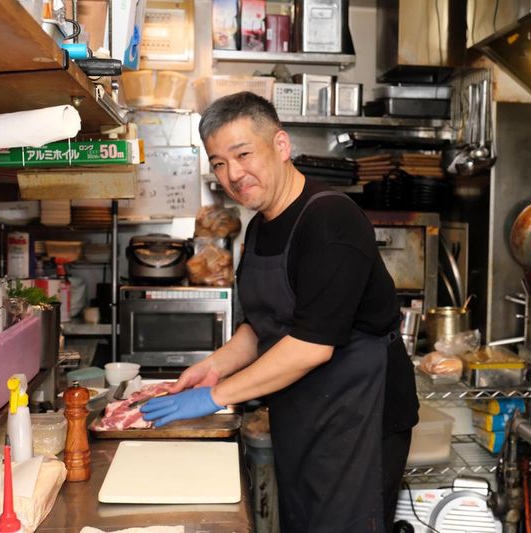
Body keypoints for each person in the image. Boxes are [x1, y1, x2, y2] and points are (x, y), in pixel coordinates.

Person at [141, 91, 419, 532]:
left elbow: (311, 346)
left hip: (359, 418)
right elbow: (264, 325)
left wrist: (216, 396)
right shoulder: (260, 227)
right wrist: (212, 367)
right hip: (302, 410)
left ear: (281, 145)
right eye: (218, 163)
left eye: (243, 154)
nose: (233, 174)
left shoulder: (330, 220)